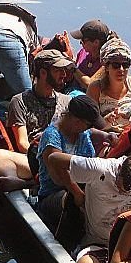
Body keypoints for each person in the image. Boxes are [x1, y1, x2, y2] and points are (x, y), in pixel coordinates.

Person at [46, 152, 131, 263]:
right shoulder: (100, 168)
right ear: (119, 169)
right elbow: (54, 159)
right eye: (120, 187)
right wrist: (76, 193)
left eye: (130, 192)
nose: (122, 193)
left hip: (128, 244)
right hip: (97, 241)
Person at [0, 49, 75, 192]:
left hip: (62, 159)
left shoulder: (67, 101)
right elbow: (22, 143)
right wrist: (43, 155)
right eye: (58, 70)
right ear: (43, 73)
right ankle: (14, 181)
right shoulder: (20, 101)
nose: (64, 75)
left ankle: (30, 184)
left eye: (64, 70)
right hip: (35, 160)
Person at [35, 95, 100, 238]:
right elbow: (58, 178)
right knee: (70, 200)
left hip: (83, 187)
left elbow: (91, 161)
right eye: (88, 125)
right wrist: (77, 194)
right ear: (77, 121)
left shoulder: (83, 134)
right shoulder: (52, 136)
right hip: (53, 194)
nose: (88, 129)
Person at [86, 38, 131, 129]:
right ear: (107, 67)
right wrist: (104, 122)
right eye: (116, 65)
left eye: (125, 65)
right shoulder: (95, 88)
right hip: (104, 135)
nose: (121, 69)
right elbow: (88, 122)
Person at [69, 19, 112, 90]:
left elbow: (90, 85)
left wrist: (73, 68)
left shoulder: (106, 63)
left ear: (96, 42)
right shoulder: (82, 52)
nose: (80, 43)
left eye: (83, 40)